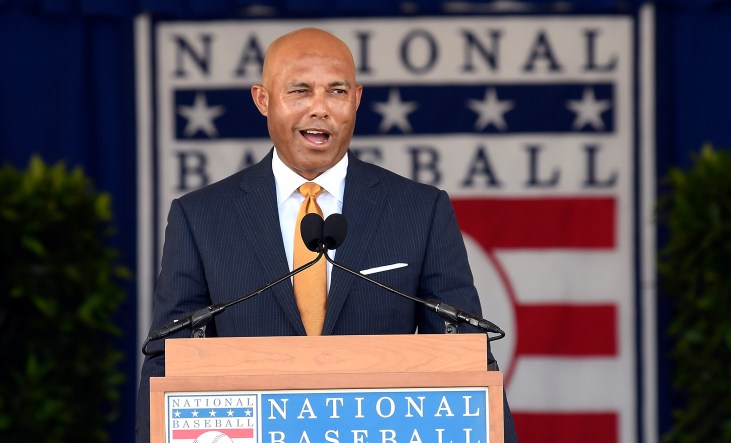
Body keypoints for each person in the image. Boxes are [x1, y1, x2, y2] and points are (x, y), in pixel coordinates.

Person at [136, 27, 517, 442]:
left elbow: (467, 352)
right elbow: (167, 361)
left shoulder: (420, 210)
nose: (320, 108)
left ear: (356, 99)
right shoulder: (201, 217)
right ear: (262, 100)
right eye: (299, 91)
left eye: (336, 92)